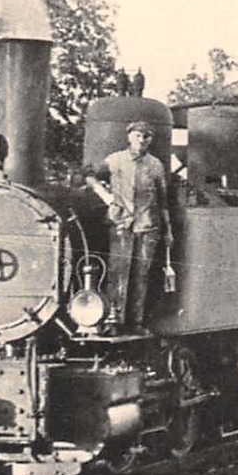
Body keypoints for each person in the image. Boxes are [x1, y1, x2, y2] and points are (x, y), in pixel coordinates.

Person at [86, 121, 170, 333]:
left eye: (146, 137)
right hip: (121, 224)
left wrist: (168, 231)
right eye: (138, 136)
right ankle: (113, 320)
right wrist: (106, 197)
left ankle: (136, 322)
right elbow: (88, 175)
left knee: (141, 275)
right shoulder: (115, 160)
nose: (142, 141)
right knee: (118, 272)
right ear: (129, 137)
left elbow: (163, 200)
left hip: (148, 226)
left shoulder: (155, 165)